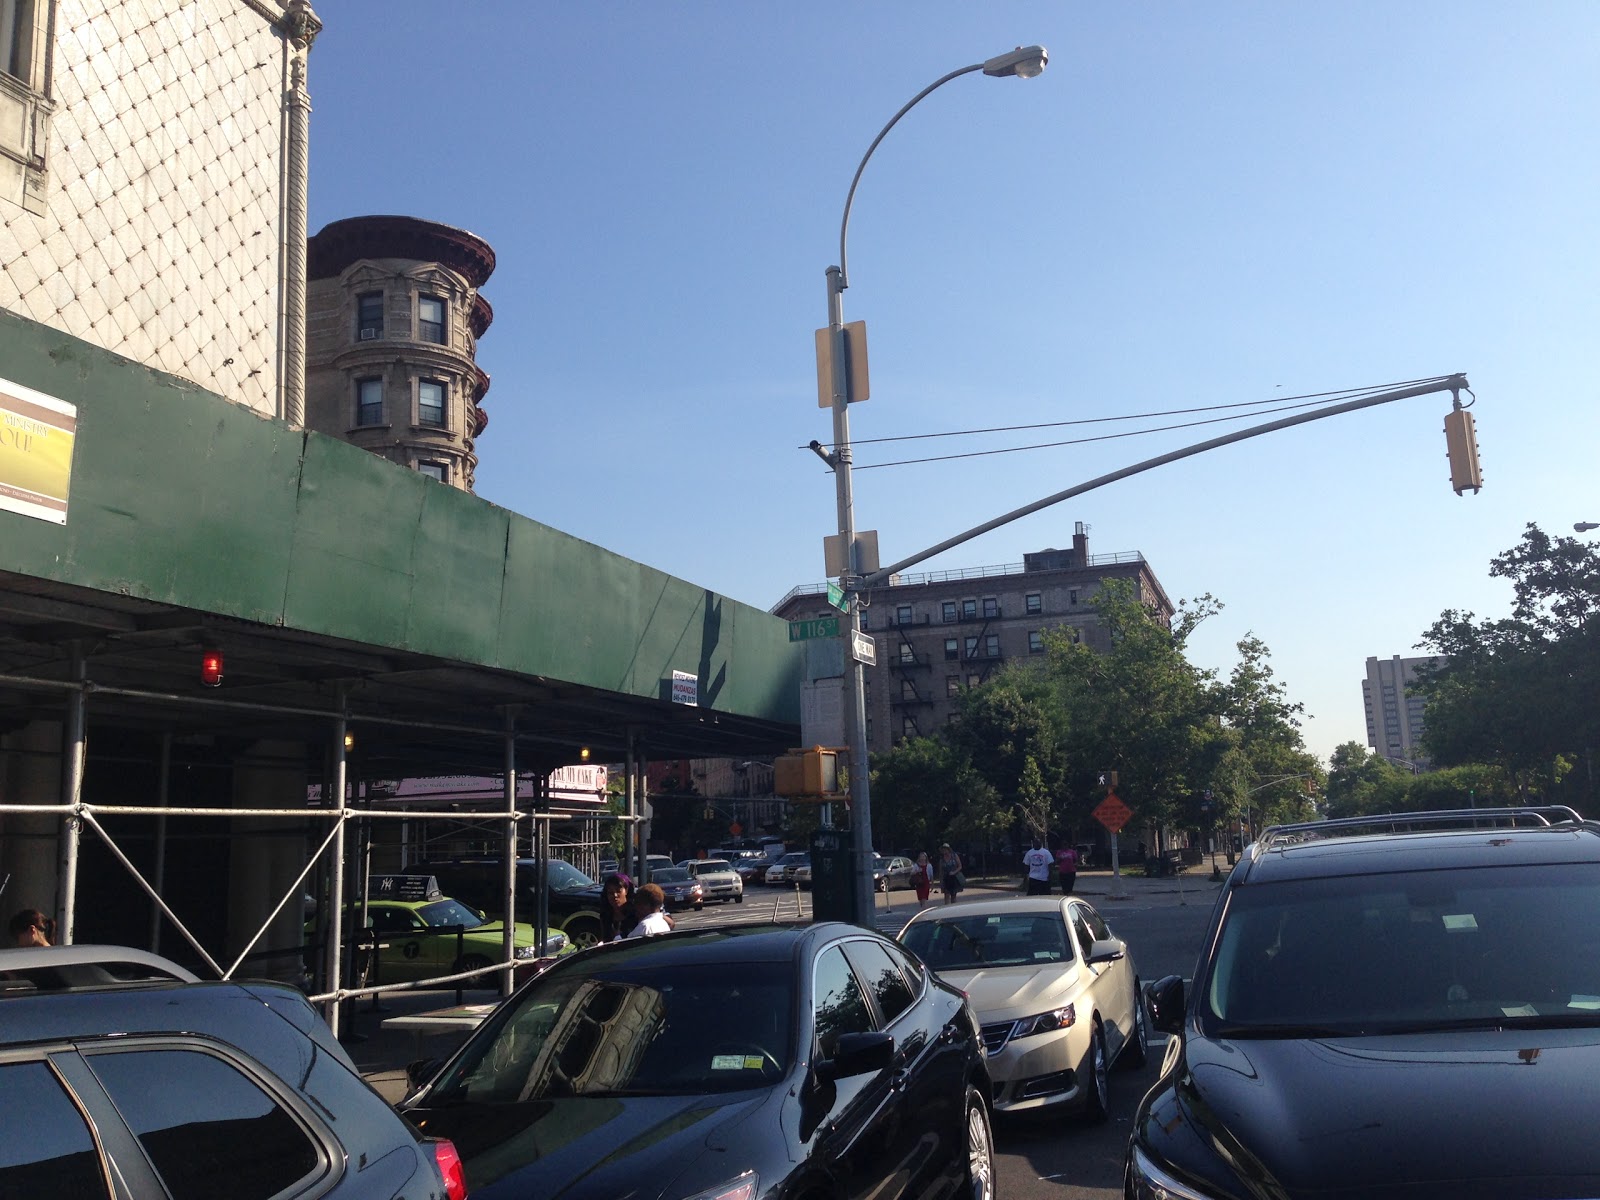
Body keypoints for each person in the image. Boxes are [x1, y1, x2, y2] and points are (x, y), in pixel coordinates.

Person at [599, 872, 639, 941]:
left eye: (618, 891)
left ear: (626, 891)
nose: (615, 895)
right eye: (610, 893)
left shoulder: (636, 913)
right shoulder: (606, 916)